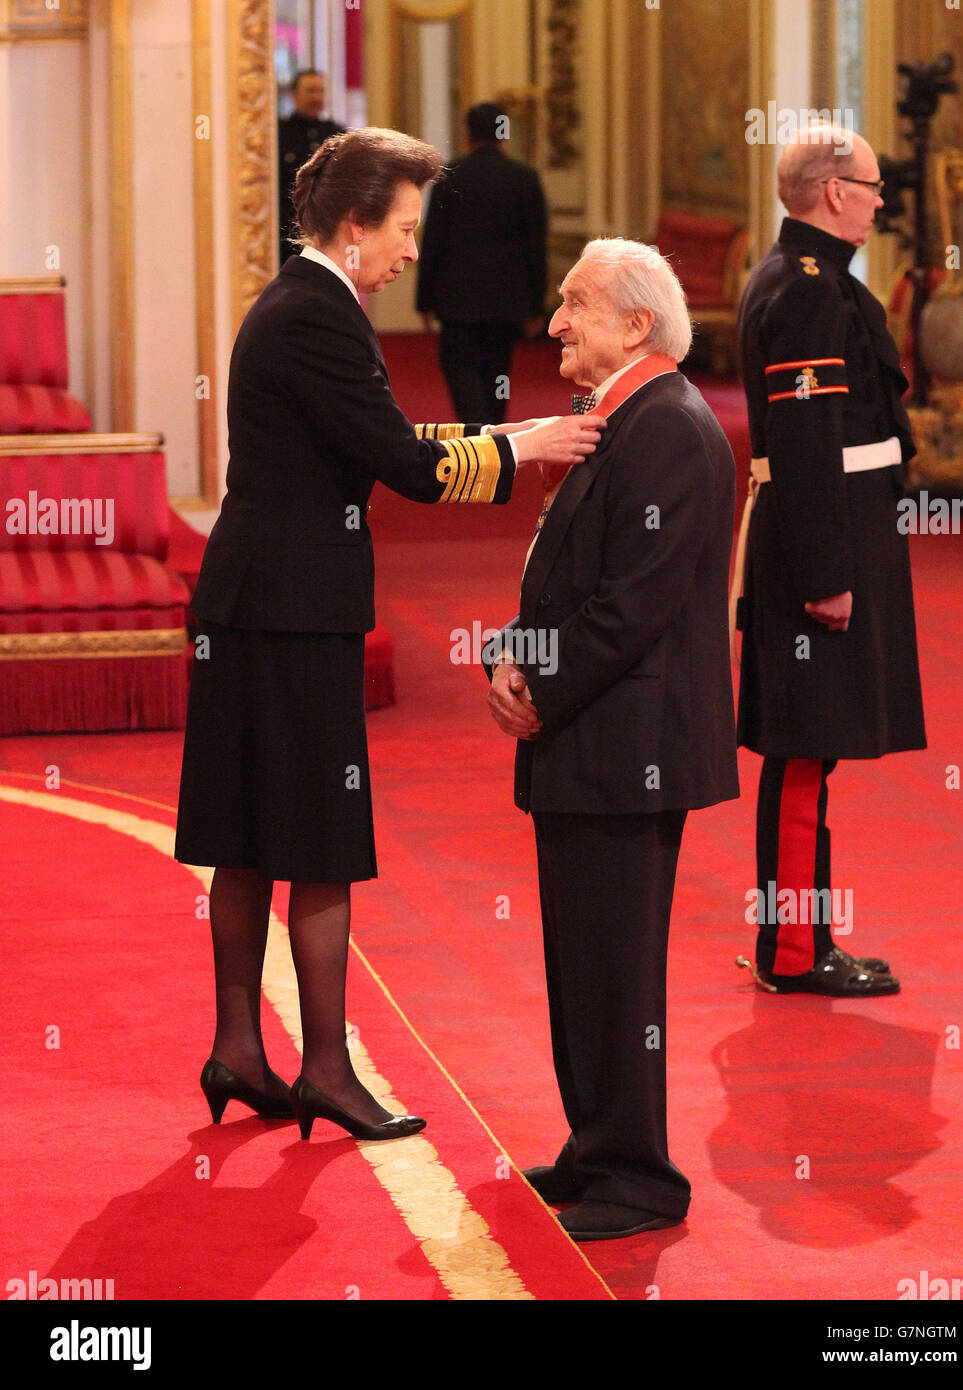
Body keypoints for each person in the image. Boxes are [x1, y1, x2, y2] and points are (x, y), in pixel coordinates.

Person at [174, 127, 604, 1143]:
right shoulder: (320, 314)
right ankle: (325, 1067)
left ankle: (240, 1047)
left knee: (245, 837)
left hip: (251, 603)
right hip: (292, 613)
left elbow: (379, 443)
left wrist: (501, 441)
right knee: (319, 840)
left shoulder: (300, 302)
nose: (412, 251)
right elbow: (401, 462)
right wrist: (522, 443)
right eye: (404, 229)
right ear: (356, 224)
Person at [484, 238, 739, 1241]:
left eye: (573, 305)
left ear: (633, 324)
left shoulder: (665, 428)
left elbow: (628, 608)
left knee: (614, 965)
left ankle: (639, 1176)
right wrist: (513, 652)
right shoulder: (621, 418)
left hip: (623, 743)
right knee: (583, 959)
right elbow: (565, 576)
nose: (553, 324)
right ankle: (597, 1146)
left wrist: (534, 689)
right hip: (590, 734)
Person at [732, 123, 926, 997]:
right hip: (823, 532)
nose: (881, 200)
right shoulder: (807, 290)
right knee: (806, 750)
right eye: (873, 186)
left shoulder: (811, 279)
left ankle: (803, 940)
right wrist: (826, 576)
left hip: (838, 520)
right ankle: (793, 953)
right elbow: (809, 443)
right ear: (833, 190)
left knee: (813, 750)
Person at [416, 101, 547, 424]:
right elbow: (535, 246)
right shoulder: (524, 178)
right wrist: (535, 305)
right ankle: (495, 429)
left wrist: (424, 300)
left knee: (462, 370)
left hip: (457, 298)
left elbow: (433, 242)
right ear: (503, 134)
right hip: (506, 300)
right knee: (498, 373)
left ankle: (474, 430)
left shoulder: (450, 178)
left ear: (467, 133)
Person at [278, 70, 345, 259]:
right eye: (310, 90)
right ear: (294, 94)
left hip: (325, 230)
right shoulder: (279, 133)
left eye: (320, 91)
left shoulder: (336, 134)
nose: (316, 97)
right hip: (286, 230)